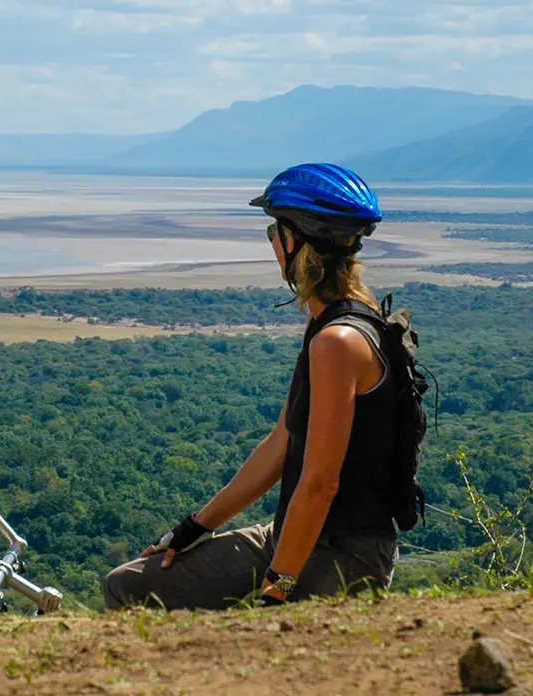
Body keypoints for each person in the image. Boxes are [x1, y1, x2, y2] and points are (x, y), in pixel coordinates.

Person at [104, 163, 401, 610]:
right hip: (300, 536)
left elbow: (320, 483)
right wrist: (195, 527)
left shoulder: (338, 342)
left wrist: (278, 586)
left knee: (159, 603)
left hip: (344, 554)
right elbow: (282, 445)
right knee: (127, 584)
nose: (272, 246)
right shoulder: (336, 323)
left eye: (273, 234)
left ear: (296, 243)